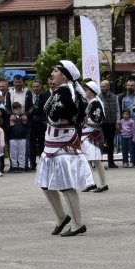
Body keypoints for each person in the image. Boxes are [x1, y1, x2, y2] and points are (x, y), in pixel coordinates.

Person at [36, 61, 92, 236]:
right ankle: (61, 217)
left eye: (55, 71)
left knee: (66, 184)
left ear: (64, 75)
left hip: (62, 142)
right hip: (53, 140)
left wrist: (64, 119)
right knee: (46, 183)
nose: (53, 73)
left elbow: (55, 113)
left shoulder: (66, 91)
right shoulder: (65, 91)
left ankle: (78, 223)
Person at [79, 81, 110, 193]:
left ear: (91, 91)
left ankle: (103, 183)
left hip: (92, 134)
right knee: (87, 159)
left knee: (96, 160)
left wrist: (85, 121)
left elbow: (98, 119)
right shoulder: (92, 102)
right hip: (87, 133)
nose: (85, 92)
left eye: (86, 90)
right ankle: (91, 182)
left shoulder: (95, 102)